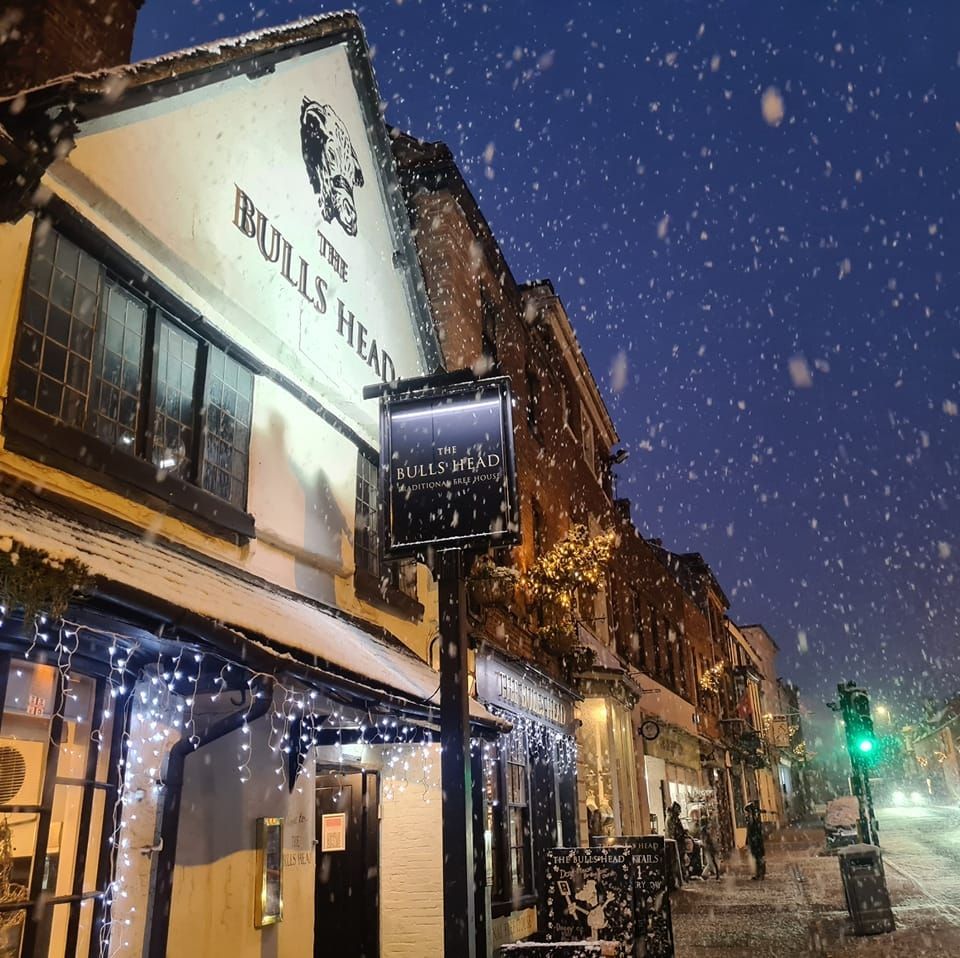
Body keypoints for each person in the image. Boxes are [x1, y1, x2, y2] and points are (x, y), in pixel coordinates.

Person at [745, 801, 766, 880]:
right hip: (755, 841)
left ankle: (760, 874)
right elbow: (749, 832)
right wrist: (747, 841)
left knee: (759, 858)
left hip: (756, 842)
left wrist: (753, 840)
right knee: (758, 858)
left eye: (747, 812)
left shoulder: (754, 820)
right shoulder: (752, 820)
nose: (746, 814)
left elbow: (754, 832)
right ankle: (759, 873)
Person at [700, 816, 721, 881]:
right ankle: (706, 875)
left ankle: (706, 875)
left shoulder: (704, 830)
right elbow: (708, 840)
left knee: (712, 863)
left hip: (710, 848)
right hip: (710, 848)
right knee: (713, 863)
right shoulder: (705, 830)